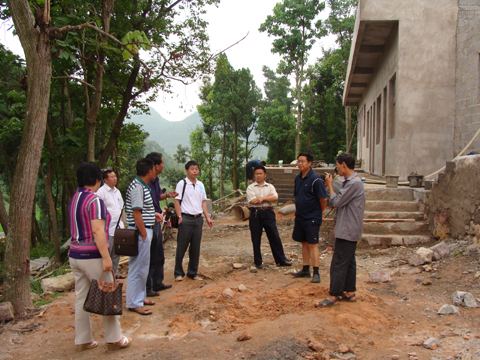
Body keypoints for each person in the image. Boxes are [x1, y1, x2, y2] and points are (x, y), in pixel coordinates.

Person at [68, 162, 131, 351]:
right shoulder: (94, 200)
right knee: (108, 293)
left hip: (75, 254)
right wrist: (106, 257)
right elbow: (97, 231)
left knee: (81, 297)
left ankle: (83, 339)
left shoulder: (75, 198)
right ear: (97, 179)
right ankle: (114, 338)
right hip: (92, 255)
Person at [315, 153, 365, 308]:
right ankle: (349, 292)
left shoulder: (353, 183)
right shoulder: (352, 182)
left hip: (348, 229)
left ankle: (333, 295)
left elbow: (336, 202)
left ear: (344, 164)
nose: (336, 168)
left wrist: (329, 185)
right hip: (349, 227)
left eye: (337, 165)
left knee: (338, 262)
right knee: (349, 261)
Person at [125, 158, 163, 315]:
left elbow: (141, 209)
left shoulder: (142, 186)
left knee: (143, 267)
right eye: (154, 169)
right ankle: (134, 302)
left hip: (145, 230)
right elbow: (136, 212)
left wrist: (152, 214)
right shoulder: (137, 188)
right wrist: (143, 232)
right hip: (141, 232)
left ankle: (139, 298)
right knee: (137, 268)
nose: (156, 171)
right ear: (149, 171)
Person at [145, 152, 178, 297]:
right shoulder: (145, 182)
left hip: (157, 219)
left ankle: (157, 282)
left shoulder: (155, 180)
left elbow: (157, 196)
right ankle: (148, 286)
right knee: (150, 254)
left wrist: (168, 195)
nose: (164, 166)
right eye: (162, 163)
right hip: (149, 220)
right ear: (156, 166)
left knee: (158, 253)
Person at [173, 160, 213, 281]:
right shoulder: (182, 183)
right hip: (186, 219)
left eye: (196, 169)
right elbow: (176, 201)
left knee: (195, 247)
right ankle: (178, 273)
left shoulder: (200, 185)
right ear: (186, 170)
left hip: (198, 219)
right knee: (182, 246)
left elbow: (203, 202)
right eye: (192, 169)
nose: (195, 171)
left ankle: (192, 272)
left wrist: (207, 218)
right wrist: (180, 217)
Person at [291, 152, 327, 283]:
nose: (300, 164)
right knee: (304, 243)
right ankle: (305, 269)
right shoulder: (297, 178)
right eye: (298, 161)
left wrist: (319, 213)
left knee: (313, 244)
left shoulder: (316, 180)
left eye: (303, 161)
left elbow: (323, 199)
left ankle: (316, 272)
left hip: (312, 217)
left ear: (310, 163)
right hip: (300, 217)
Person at [246, 166, 292, 269]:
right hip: (255, 213)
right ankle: (258, 262)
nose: (259, 175)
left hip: (268, 212)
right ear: (254, 175)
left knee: (274, 236)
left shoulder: (270, 186)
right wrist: (268, 198)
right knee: (256, 238)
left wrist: (261, 199)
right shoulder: (250, 188)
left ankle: (281, 260)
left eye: (261, 173)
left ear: (265, 175)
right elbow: (253, 201)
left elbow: (275, 198)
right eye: (257, 173)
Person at [96, 170, 125, 279]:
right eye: (111, 177)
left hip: (118, 227)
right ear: (105, 180)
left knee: (116, 252)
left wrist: (121, 222)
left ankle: (115, 272)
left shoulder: (117, 191)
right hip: (108, 228)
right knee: (108, 251)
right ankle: (105, 275)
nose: (115, 178)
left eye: (115, 176)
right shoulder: (101, 192)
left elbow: (121, 208)